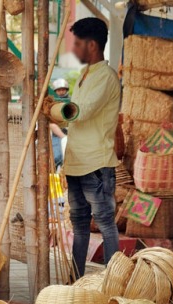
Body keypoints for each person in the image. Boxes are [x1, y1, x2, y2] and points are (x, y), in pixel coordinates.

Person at [63, 17, 121, 278]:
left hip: (97, 163)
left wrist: (55, 110)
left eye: (77, 44)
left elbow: (82, 113)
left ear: (93, 45)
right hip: (76, 161)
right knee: (79, 224)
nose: (73, 49)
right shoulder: (85, 75)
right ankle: (76, 280)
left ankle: (112, 281)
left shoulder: (106, 77)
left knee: (106, 223)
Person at [49, 78, 69, 169]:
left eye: (63, 89)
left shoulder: (71, 102)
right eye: (59, 90)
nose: (61, 92)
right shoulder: (50, 103)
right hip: (56, 134)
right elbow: (50, 123)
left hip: (69, 132)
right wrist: (63, 136)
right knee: (57, 157)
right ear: (55, 91)